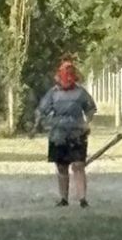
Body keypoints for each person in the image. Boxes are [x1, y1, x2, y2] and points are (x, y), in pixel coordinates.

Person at [34, 60, 96, 208]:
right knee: (62, 167)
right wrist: (37, 125)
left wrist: (87, 123)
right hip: (58, 135)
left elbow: (91, 109)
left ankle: (82, 199)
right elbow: (42, 110)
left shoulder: (81, 92)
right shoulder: (53, 93)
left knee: (78, 165)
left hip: (77, 134)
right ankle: (64, 198)